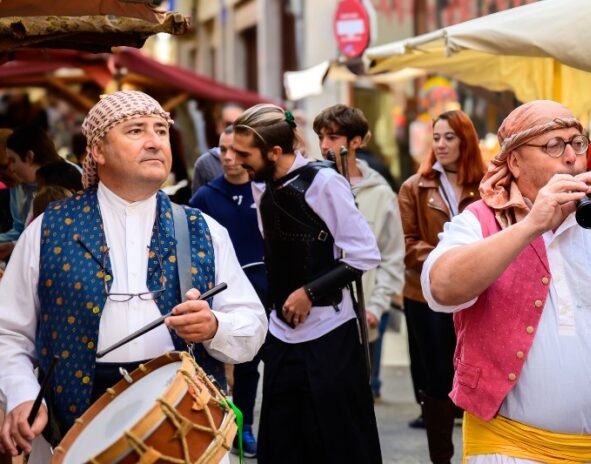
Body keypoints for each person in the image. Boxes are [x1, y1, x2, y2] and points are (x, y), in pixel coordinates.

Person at [0, 91, 268, 463]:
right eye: (136, 130)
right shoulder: (47, 230)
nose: (154, 140)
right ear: (98, 151)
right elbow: (9, 333)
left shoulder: (203, 229)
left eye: (161, 130)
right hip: (71, 435)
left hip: (185, 432)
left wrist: (214, 325)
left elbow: (252, 326)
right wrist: (22, 394)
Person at [422, 100, 591, 463]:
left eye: (577, 143)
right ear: (514, 162)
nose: (571, 157)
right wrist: (532, 225)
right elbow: (441, 289)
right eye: (553, 145)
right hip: (512, 453)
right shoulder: (481, 221)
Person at [230, 104, 382, 464]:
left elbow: (364, 253)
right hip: (283, 335)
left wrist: (309, 293)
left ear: (275, 152)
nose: (236, 161)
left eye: (244, 153)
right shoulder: (261, 185)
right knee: (282, 444)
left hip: (330, 333)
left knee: (338, 443)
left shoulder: (324, 182)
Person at [399, 110, 485, 464]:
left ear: (466, 141)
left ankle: (478, 454)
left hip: (478, 293)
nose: (441, 144)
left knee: (477, 371)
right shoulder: (414, 187)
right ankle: (442, 459)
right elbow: (408, 245)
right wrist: (452, 261)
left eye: (450, 137)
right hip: (426, 296)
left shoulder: (486, 185)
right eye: (436, 137)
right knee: (435, 380)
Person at [312, 104, 405, 400]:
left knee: (359, 397)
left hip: (364, 314)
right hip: (317, 313)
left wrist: (377, 307)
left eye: (334, 137)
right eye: (321, 137)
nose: (325, 145)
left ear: (355, 142)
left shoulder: (380, 192)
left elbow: (392, 256)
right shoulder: (309, 185)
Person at [190, 125, 268, 458]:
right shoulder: (206, 197)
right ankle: (238, 426)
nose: (229, 158)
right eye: (223, 150)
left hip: (269, 293)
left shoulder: (265, 191)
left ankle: (253, 426)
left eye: (236, 151)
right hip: (220, 297)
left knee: (266, 366)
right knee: (231, 366)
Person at [0, 125, 71, 261]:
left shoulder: (65, 182)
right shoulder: (21, 184)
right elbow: (22, 229)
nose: (12, 168)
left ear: (29, 157)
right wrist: (13, 246)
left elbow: (55, 242)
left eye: (12, 161)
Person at [192, 103, 244, 194]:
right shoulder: (205, 163)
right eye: (229, 124)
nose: (233, 131)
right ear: (219, 126)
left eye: (241, 126)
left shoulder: (257, 158)